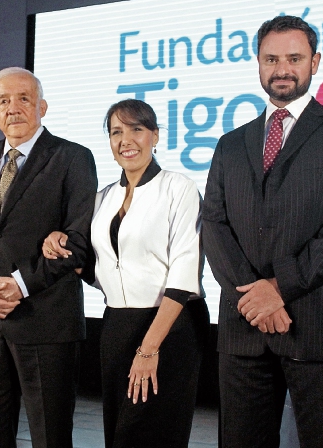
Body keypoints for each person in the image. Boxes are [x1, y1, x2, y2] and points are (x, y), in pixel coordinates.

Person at [202, 15, 323, 447]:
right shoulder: (230, 143)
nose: (282, 68)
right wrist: (254, 296)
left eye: (294, 58)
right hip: (244, 330)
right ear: (258, 64)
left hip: (322, 327)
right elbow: (214, 224)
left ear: (315, 62)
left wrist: (279, 287)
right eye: (271, 59)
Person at [42, 99, 209, 447]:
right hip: (117, 327)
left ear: (155, 136)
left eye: (136, 129)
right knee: (119, 434)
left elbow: (184, 271)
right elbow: (95, 268)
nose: (126, 140)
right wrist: (59, 242)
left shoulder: (178, 188)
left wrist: (149, 350)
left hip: (169, 328)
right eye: (116, 132)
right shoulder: (102, 197)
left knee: (149, 435)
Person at [0, 67, 98, 447]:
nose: (13, 108)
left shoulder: (73, 158)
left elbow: (78, 242)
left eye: (23, 99)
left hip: (46, 322)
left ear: (42, 106)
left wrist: (20, 285)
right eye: (3, 101)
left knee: (50, 437)